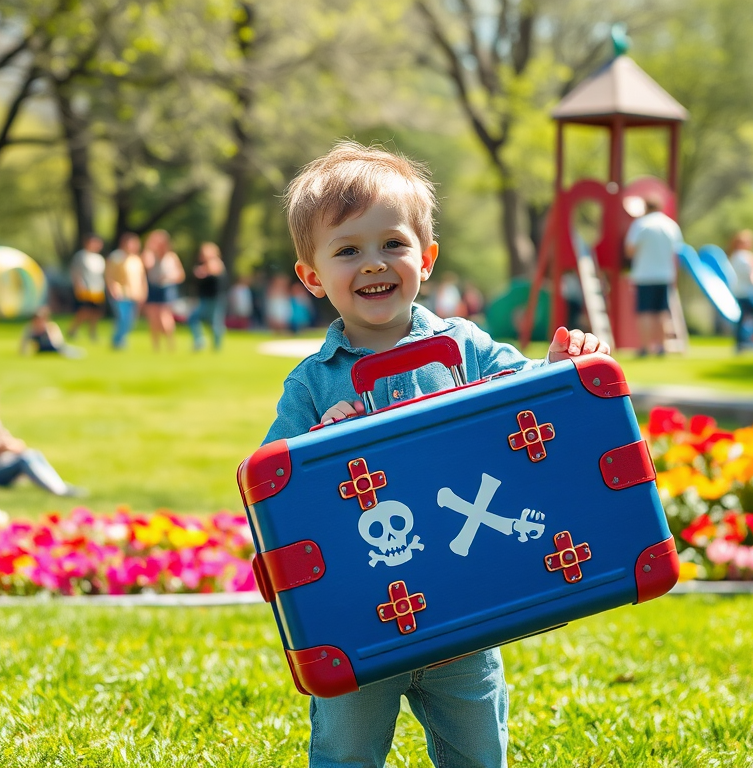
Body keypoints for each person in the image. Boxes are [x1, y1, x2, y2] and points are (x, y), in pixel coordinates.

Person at [266, 140, 609, 767]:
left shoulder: (465, 346)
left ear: (426, 258)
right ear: (312, 275)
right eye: (347, 250)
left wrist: (560, 367)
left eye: (392, 243)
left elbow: (524, 390)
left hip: (462, 606)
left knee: (477, 748)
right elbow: (276, 490)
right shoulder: (312, 385)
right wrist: (315, 444)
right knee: (346, 749)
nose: (374, 262)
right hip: (362, 615)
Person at [0, 383, 83, 496]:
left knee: (32, 453)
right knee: (23, 460)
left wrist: (14, 446)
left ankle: (60, 486)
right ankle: (57, 491)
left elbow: (7, 440)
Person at [623, 195, 683, 357]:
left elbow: (630, 250)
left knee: (645, 312)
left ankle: (644, 347)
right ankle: (661, 347)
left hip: (644, 274)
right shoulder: (670, 225)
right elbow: (677, 253)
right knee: (662, 312)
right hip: (665, 275)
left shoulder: (640, 224)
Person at [143, 229, 185, 351]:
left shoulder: (172, 257)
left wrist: (169, 277)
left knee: (164, 317)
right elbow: (146, 265)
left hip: (166, 288)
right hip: (153, 287)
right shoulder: (150, 255)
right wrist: (149, 247)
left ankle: (170, 343)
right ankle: (156, 346)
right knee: (153, 318)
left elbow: (180, 275)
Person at [105, 232, 148, 350]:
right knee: (122, 318)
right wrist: (113, 289)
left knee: (131, 320)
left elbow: (142, 278)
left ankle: (121, 339)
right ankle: (118, 341)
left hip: (135, 294)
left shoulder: (136, 259)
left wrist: (144, 292)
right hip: (121, 293)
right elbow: (110, 275)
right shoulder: (116, 257)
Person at [728, 230, 753, 352]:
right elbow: (752, 275)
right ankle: (752, 340)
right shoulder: (745, 257)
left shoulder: (734, 256)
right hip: (746, 293)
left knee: (743, 317)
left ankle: (741, 342)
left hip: (739, 292)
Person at [188, 242, 228, 351]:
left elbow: (212, 271)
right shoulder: (207, 264)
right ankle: (201, 341)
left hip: (214, 299)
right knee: (195, 319)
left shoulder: (215, 263)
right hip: (205, 298)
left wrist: (202, 272)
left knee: (214, 322)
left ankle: (215, 345)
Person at [67, 234, 106, 341]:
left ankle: (92, 332)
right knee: (84, 311)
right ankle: (73, 330)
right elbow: (75, 271)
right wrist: (77, 285)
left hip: (97, 288)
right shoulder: (81, 256)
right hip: (85, 287)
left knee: (96, 312)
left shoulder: (99, 258)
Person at [19, 306, 84, 358]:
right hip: (41, 350)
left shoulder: (50, 327)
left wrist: (47, 332)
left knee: (69, 351)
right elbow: (24, 342)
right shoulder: (30, 329)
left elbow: (58, 343)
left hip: (55, 348)